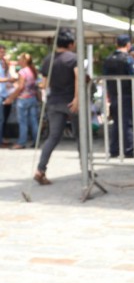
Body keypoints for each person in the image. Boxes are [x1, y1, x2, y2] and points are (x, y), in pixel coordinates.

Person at [35, 29, 80, 185]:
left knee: (53, 137)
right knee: (80, 136)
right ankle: (86, 170)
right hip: (71, 102)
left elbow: (44, 83)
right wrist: (77, 99)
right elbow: (78, 79)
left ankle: (40, 169)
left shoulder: (48, 59)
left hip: (54, 102)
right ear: (71, 44)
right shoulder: (74, 58)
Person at [102, 34, 134, 158]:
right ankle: (129, 150)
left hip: (113, 94)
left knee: (116, 122)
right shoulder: (128, 59)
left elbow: (104, 77)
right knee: (127, 122)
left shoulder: (108, 58)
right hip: (126, 93)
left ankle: (114, 150)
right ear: (128, 44)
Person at [2, 53, 40, 149]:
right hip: (32, 98)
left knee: (23, 122)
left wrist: (11, 98)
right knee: (33, 121)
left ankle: (21, 142)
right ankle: (36, 141)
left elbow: (21, 87)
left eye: (19, 60)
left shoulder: (22, 72)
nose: (18, 61)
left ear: (24, 61)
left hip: (23, 99)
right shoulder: (33, 70)